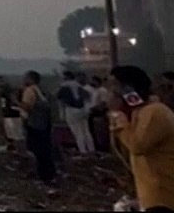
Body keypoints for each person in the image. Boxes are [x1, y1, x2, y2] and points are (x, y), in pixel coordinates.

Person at [109, 65, 174, 212]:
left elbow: (137, 146)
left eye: (115, 87)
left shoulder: (154, 111)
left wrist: (119, 119)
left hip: (163, 193)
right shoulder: (139, 112)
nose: (111, 93)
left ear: (128, 89)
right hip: (151, 192)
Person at [21, 70, 56, 183]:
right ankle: (49, 174)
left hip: (34, 124)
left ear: (30, 79)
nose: (24, 80)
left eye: (26, 77)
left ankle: (41, 174)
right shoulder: (43, 90)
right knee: (46, 150)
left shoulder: (29, 91)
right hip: (45, 124)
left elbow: (27, 107)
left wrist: (16, 102)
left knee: (35, 150)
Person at [58, 70, 94, 154]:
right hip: (82, 109)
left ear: (66, 77)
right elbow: (87, 95)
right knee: (86, 131)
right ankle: (91, 149)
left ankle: (83, 151)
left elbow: (60, 99)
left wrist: (61, 114)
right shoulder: (78, 85)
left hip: (71, 109)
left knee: (77, 132)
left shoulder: (64, 86)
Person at [0, 75, 25, 152]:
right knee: (11, 130)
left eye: (1, 81)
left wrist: (19, 105)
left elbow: (12, 100)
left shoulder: (6, 90)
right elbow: (3, 102)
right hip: (9, 112)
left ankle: (16, 147)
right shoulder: (3, 90)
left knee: (13, 129)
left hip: (11, 112)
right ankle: (12, 146)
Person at [90, 75, 112, 153]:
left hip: (100, 113)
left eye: (93, 81)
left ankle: (105, 149)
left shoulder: (102, 90)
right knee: (96, 132)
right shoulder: (96, 90)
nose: (91, 82)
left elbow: (103, 102)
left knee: (102, 132)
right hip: (95, 112)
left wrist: (97, 109)